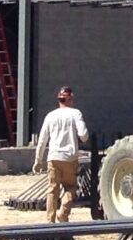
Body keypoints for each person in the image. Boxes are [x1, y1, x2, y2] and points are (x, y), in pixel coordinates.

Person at [31, 85, 92, 223]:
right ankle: (63, 213)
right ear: (69, 99)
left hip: (53, 158)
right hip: (70, 158)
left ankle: (50, 221)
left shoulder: (50, 116)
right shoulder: (75, 113)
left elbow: (42, 140)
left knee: (52, 189)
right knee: (71, 188)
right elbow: (84, 136)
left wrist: (38, 160)